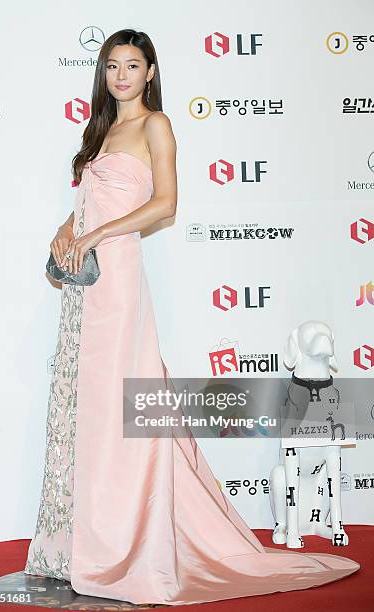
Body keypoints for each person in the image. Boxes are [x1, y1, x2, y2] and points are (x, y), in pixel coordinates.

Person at [24, 28, 360, 606]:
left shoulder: (157, 124)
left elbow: (165, 205)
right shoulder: (101, 129)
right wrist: (65, 231)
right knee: (87, 411)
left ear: (151, 72)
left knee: (118, 407)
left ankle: (124, 549)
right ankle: (79, 546)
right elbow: (82, 205)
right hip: (86, 283)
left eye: (132, 65)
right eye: (112, 66)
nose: (121, 76)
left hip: (120, 278)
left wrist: (99, 235)